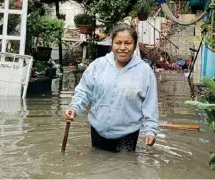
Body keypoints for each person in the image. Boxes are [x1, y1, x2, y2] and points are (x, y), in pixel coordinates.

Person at [65, 23, 159, 152]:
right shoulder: (98, 65)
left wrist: (151, 130)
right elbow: (84, 91)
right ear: (112, 44)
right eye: (118, 43)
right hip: (98, 130)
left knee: (125, 169)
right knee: (98, 166)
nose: (122, 47)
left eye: (128, 43)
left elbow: (150, 104)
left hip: (128, 134)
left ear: (135, 45)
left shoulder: (144, 72)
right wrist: (74, 107)